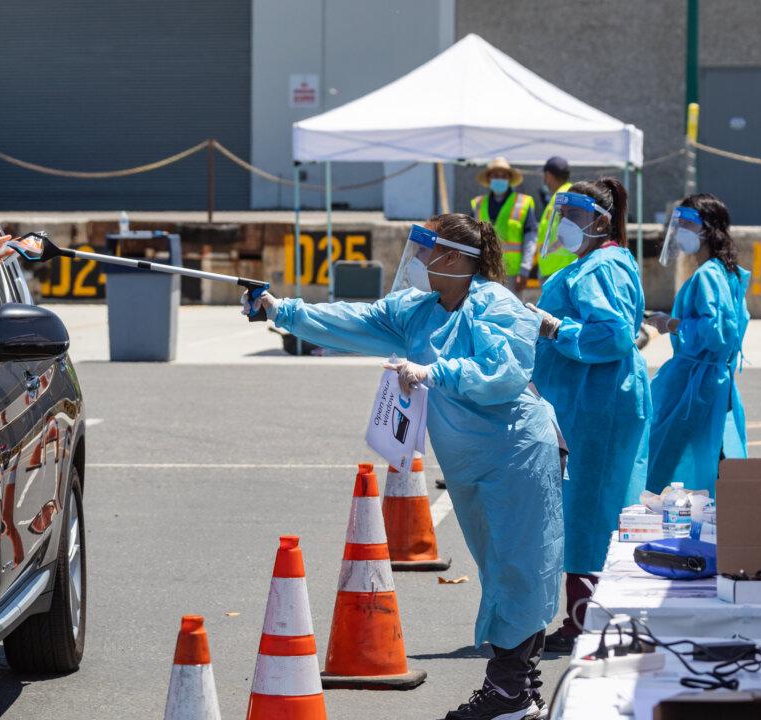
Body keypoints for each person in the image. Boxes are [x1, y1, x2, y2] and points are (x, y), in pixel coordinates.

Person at [244, 214, 564, 720]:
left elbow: (502, 376)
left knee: (519, 570)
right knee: (500, 570)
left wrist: (434, 371)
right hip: (472, 460)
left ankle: (509, 693)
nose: (415, 260)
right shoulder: (420, 311)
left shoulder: (496, 306)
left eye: (424, 250)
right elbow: (357, 320)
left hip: (516, 453)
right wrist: (283, 310)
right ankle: (519, 691)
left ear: (454, 258)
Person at [526, 178, 650, 653]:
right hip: (588, 401)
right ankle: (587, 613)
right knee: (587, 506)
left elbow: (613, 335)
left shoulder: (602, 266)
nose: (565, 225)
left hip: (597, 403)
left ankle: (586, 618)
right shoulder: (594, 263)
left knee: (589, 509)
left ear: (599, 219)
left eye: (574, 216)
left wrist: (555, 327)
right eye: (563, 214)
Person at [645, 193, 750, 496]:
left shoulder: (708, 275)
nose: (679, 232)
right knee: (714, 452)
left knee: (673, 454)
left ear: (706, 229)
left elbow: (716, 332)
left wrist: (672, 324)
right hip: (710, 381)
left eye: (686, 224)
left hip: (698, 384)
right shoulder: (724, 271)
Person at [470, 156, 536, 296]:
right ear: (489, 179)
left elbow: (530, 237)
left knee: (511, 312)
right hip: (484, 271)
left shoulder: (522, 202)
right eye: (495, 175)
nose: (499, 179)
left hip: (511, 273)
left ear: (509, 179)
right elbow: (470, 238)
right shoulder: (478, 204)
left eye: (503, 175)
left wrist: (524, 270)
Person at [534, 156, 575, 281]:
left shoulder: (564, 196)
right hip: (557, 267)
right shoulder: (562, 195)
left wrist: (549, 250)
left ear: (548, 175)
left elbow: (571, 229)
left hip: (560, 267)